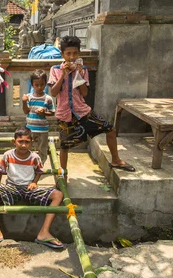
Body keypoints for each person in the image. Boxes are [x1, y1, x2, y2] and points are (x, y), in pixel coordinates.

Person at [48, 36, 135, 180]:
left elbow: (84, 92)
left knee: (110, 130)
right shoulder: (55, 69)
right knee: (64, 146)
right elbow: (53, 92)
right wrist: (63, 74)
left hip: (83, 111)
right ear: (62, 54)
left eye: (75, 53)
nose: (72, 57)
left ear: (79, 53)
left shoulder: (82, 70)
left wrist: (77, 73)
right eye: (68, 53)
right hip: (64, 114)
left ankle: (115, 159)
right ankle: (63, 174)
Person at [0, 127, 64, 249]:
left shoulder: (34, 157)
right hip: (12, 187)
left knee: (58, 195)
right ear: (14, 141)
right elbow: (0, 171)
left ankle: (44, 232)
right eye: (20, 141)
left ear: (31, 142)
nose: (23, 145)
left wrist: (34, 182)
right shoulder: (7, 155)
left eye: (27, 142)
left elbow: (39, 171)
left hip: (29, 188)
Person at [22, 69, 55, 165]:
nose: (39, 87)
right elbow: (26, 111)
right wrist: (24, 102)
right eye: (36, 85)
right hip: (30, 129)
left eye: (42, 84)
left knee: (42, 149)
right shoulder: (28, 97)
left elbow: (52, 112)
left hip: (43, 130)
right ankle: (29, 164)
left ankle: (40, 166)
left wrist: (44, 113)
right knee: (28, 148)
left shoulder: (48, 98)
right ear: (32, 85)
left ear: (45, 84)